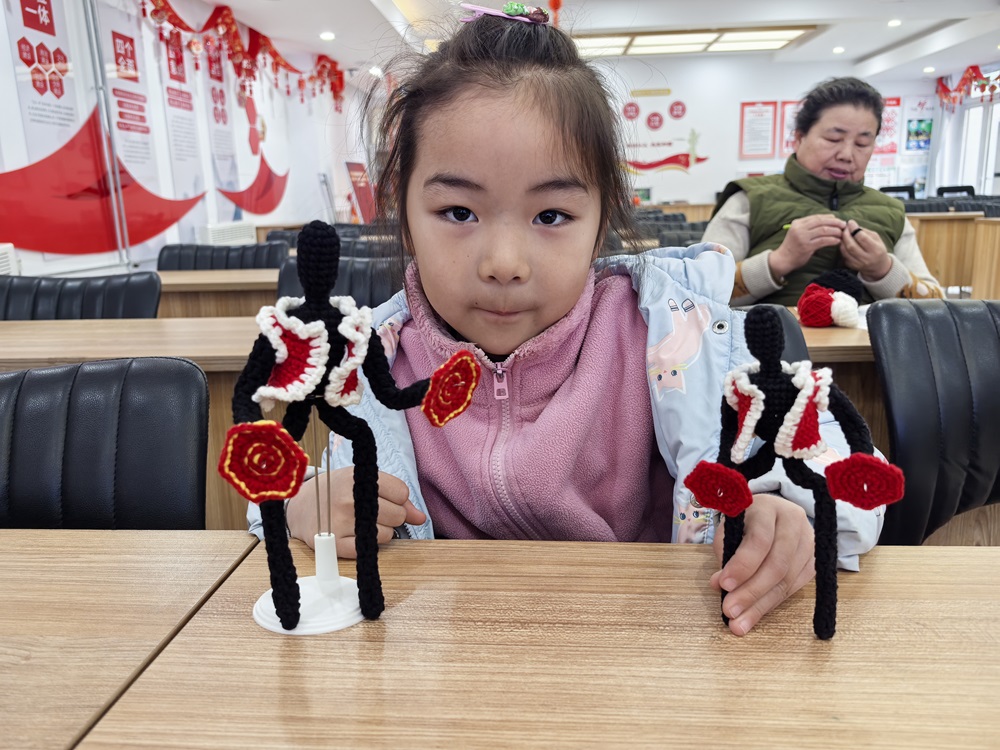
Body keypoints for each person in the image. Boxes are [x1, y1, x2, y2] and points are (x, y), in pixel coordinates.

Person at [248, 6, 885, 637]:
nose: (504, 264)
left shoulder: (684, 338)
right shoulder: (373, 360)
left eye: (551, 216)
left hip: (651, 650)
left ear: (602, 219)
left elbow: (853, 473)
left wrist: (791, 512)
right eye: (458, 212)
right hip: (445, 661)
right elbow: (292, 489)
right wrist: (307, 506)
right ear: (403, 212)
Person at [703, 77, 944, 306]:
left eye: (862, 144)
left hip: (870, 338)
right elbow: (696, 291)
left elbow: (937, 307)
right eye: (833, 139)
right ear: (799, 137)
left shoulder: (891, 212)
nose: (846, 155)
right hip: (770, 336)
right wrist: (778, 261)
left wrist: (883, 270)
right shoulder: (748, 200)